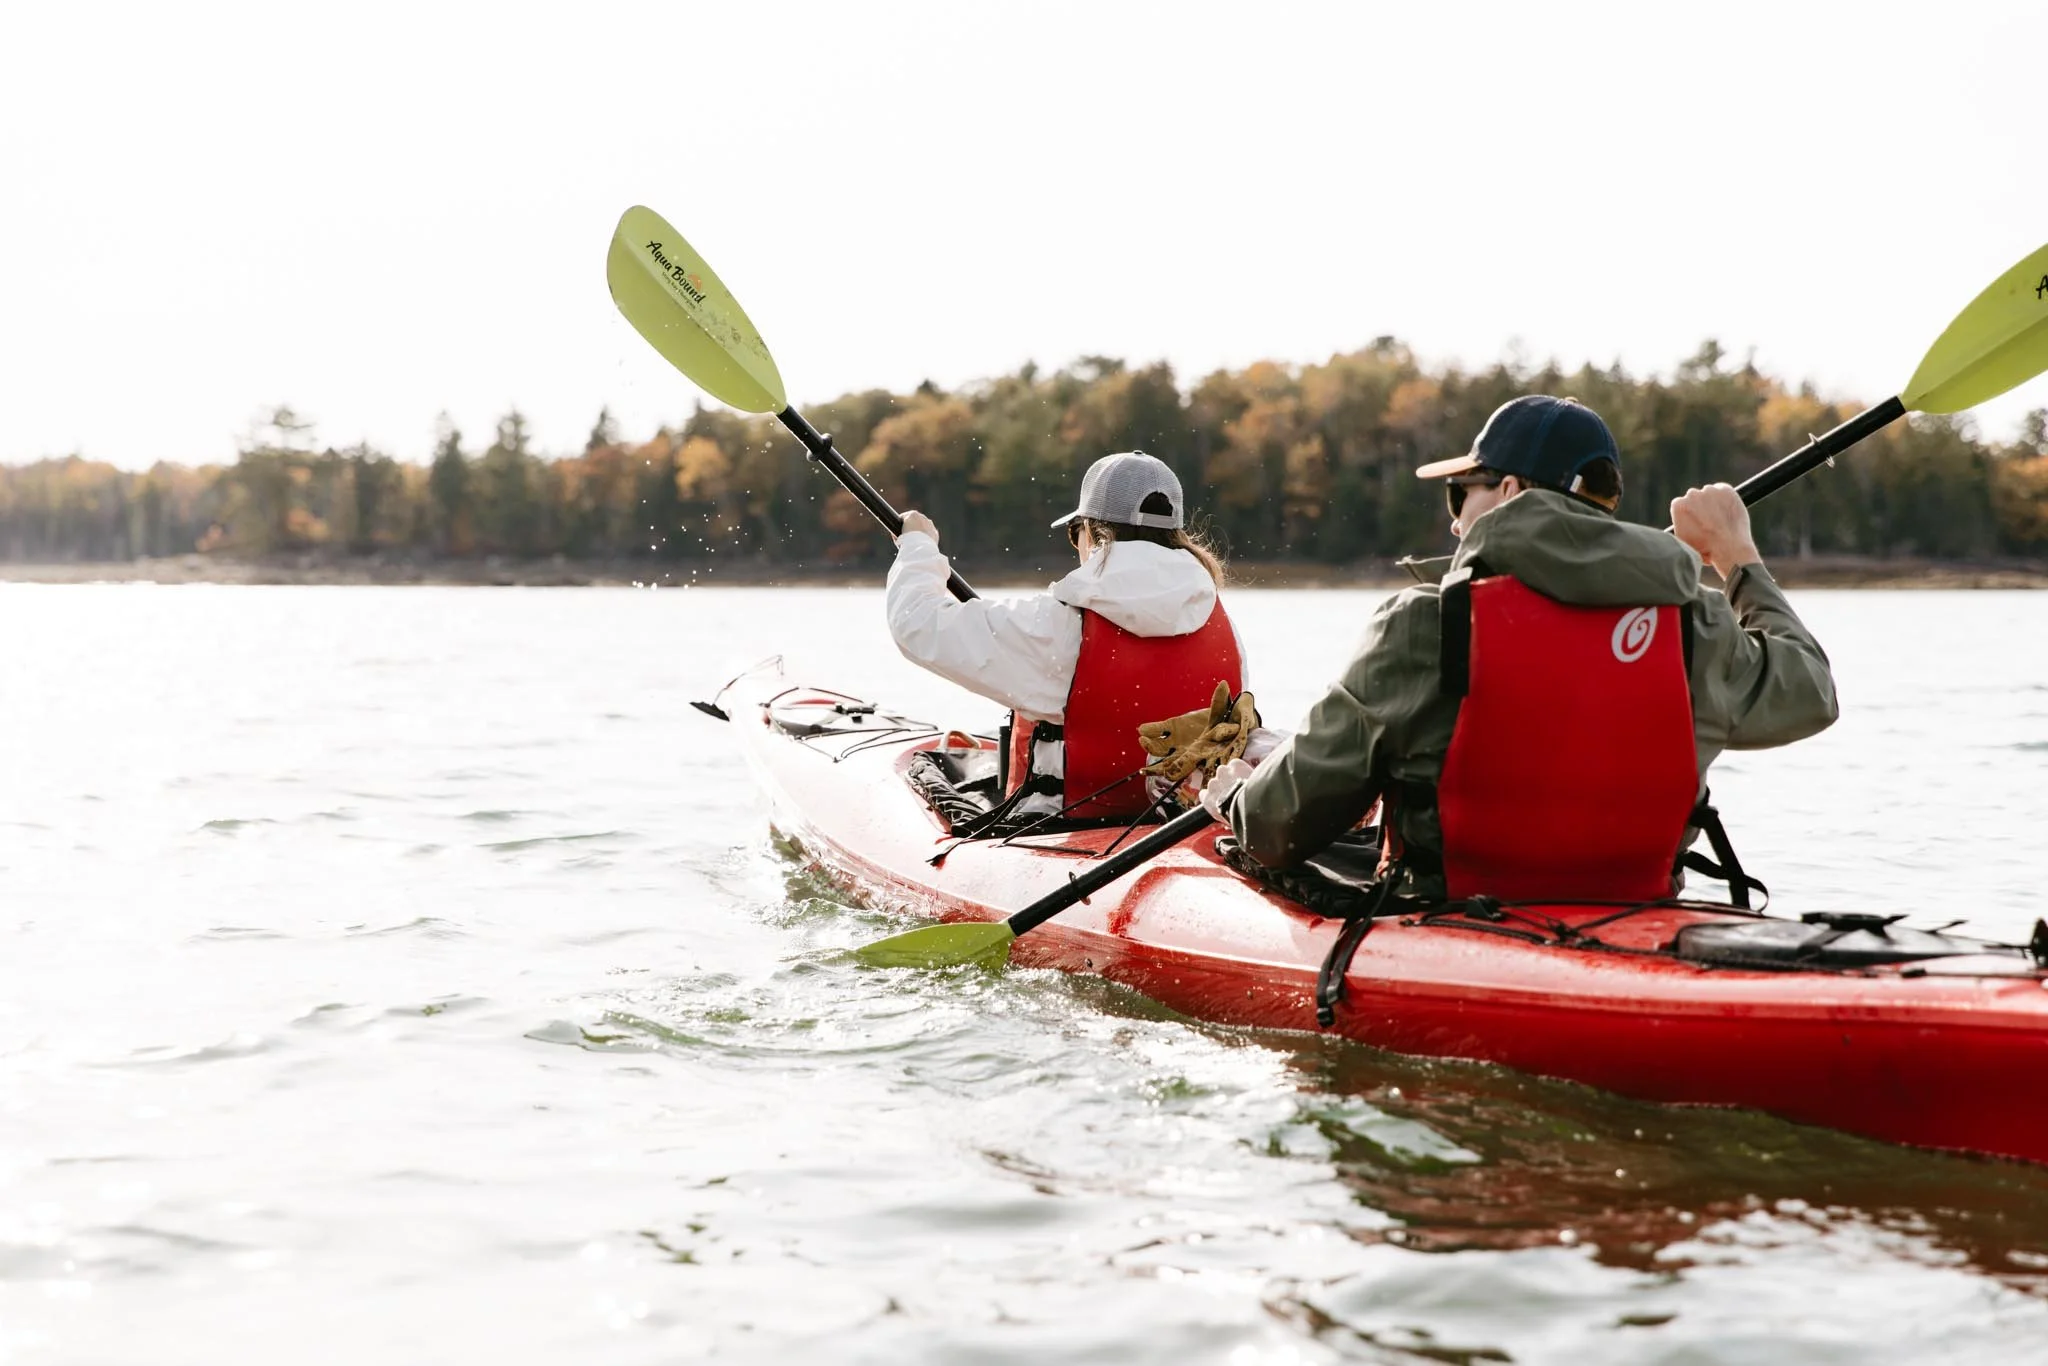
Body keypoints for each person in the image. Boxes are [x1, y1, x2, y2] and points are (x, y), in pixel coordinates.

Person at [1209, 394, 1838, 903]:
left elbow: (1275, 828)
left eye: (1461, 493)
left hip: (1449, 917)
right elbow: (1810, 691)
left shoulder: (1423, 622)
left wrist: (1236, 797)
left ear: (1508, 492)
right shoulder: (1693, 623)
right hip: (1637, 913)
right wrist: (1737, 556)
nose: (1454, 520)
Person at [888, 451, 1245, 820]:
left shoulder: (1058, 625)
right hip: (1180, 829)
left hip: (1063, 834)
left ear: (1092, 534)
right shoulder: (1223, 626)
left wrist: (918, 545)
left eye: (1076, 534)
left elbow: (917, 622)